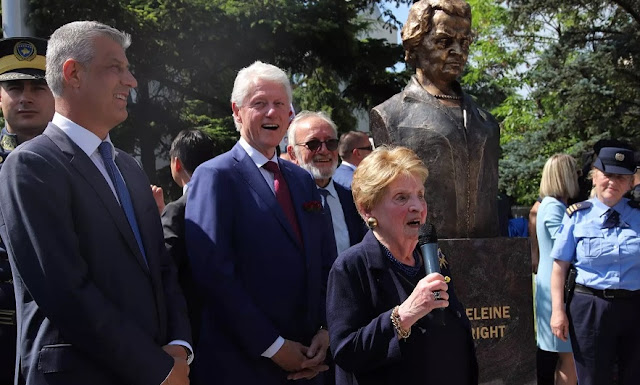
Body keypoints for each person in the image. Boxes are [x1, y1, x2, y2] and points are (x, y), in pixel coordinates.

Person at [0, 21, 192, 385]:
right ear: (73, 73)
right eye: (115, 68)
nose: (131, 81)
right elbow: (67, 291)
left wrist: (179, 346)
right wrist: (157, 367)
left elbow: (161, 267)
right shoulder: (31, 165)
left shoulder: (129, 168)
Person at [185, 61, 336, 385]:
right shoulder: (214, 177)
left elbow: (326, 260)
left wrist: (325, 327)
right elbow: (213, 275)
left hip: (311, 364)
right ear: (237, 111)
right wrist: (274, 347)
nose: (272, 113)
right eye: (260, 104)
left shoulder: (301, 179)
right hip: (244, 366)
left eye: (279, 104)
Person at [326, 146, 477, 385]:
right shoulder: (351, 266)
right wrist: (404, 314)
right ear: (367, 209)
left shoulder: (432, 258)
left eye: (420, 194)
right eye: (402, 197)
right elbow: (346, 351)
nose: (417, 206)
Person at [370, 0, 500, 239]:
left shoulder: (486, 121)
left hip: (486, 257)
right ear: (416, 44)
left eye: (464, 42)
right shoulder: (391, 115)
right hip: (419, 255)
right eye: (444, 41)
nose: (458, 52)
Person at [550, 147, 640, 384]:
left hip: (634, 306)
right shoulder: (576, 216)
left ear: (631, 183)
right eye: (607, 174)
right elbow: (559, 268)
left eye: (621, 177)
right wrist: (558, 311)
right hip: (590, 307)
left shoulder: (638, 216)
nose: (612, 182)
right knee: (592, 378)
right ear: (594, 175)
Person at [0, 36, 54, 383]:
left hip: (63, 333)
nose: (25, 97)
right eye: (13, 87)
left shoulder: (84, 161)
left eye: (37, 87)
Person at [161, 129, 216, 350]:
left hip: (194, 329)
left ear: (176, 163)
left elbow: (164, 268)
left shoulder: (177, 210)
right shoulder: (232, 202)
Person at [287, 111, 367, 254]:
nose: (324, 150)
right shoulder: (285, 202)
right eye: (313, 144)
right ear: (293, 154)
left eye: (331, 143)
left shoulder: (352, 199)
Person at [535, 154, 579, 385]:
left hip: (552, 287)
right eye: (574, 172)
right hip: (556, 290)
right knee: (568, 358)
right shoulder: (554, 208)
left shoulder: (550, 205)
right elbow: (568, 251)